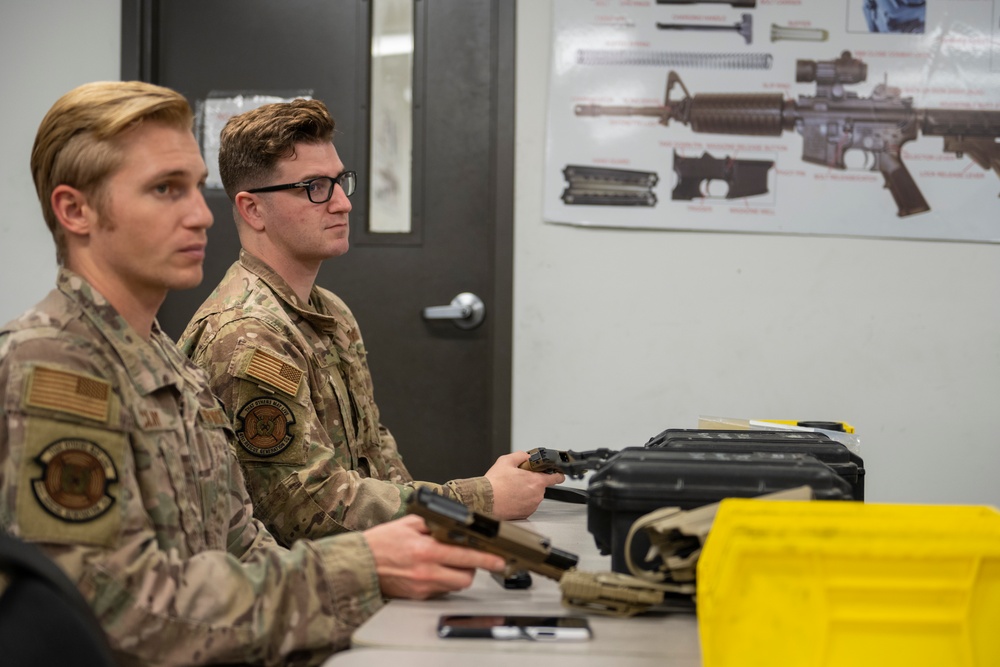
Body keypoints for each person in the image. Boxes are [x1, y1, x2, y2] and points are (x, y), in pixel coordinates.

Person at [0, 80, 505, 666]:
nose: (199, 215)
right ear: (75, 210)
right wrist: (362, 568)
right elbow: (117, 609)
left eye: (194, 187)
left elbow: (246, 545)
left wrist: (380, 588)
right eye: (165, 190)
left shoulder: (161, 358)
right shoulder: (55, 366)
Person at [179, 99, 563, 544]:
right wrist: (476, 501)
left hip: (365, 562)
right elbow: (307, 510)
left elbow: (375, 453)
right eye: (313, 187)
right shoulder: (249, 334)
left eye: (340, 182)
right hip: (307, 588)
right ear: (252, 210)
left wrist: (438, 530)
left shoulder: (330, 312)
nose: (341, 203)